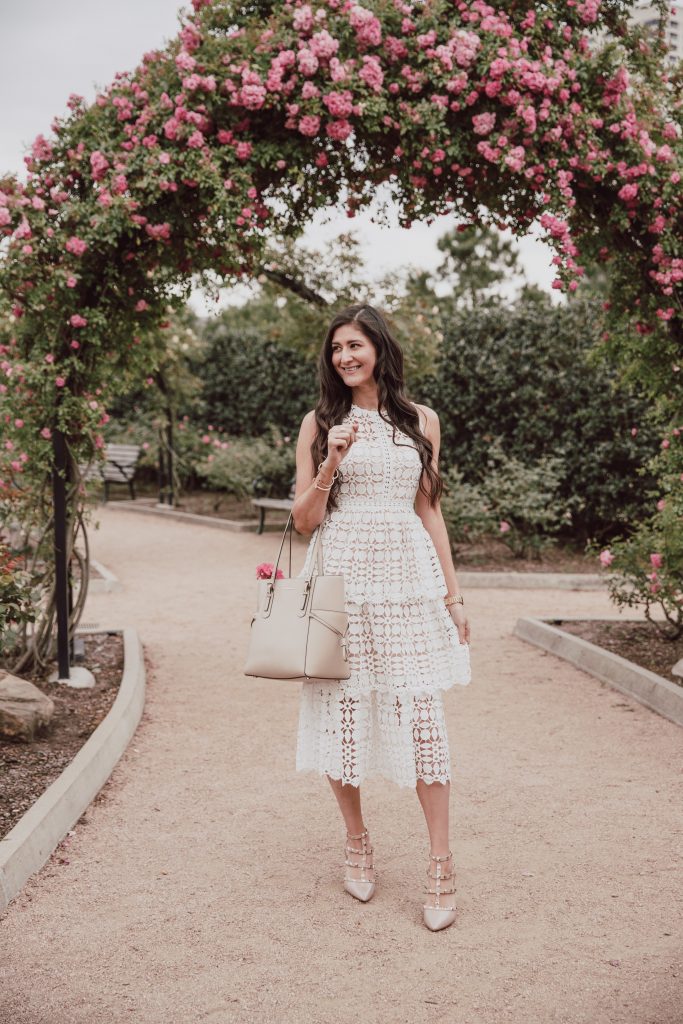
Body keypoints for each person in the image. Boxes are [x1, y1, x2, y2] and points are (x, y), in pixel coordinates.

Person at [291, 303, 471, 932]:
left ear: (379, 350)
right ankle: (357, 840)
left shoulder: (423, 421)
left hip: (405, 583)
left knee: (423, 716)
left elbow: (431, 511)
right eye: (336, 347)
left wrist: (453, 596)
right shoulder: (320, 422)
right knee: (342, 713)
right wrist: (332, 460)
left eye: (355, 346)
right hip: (339, 577)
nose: (344, 356)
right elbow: (303, 522)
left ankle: (441, 862)